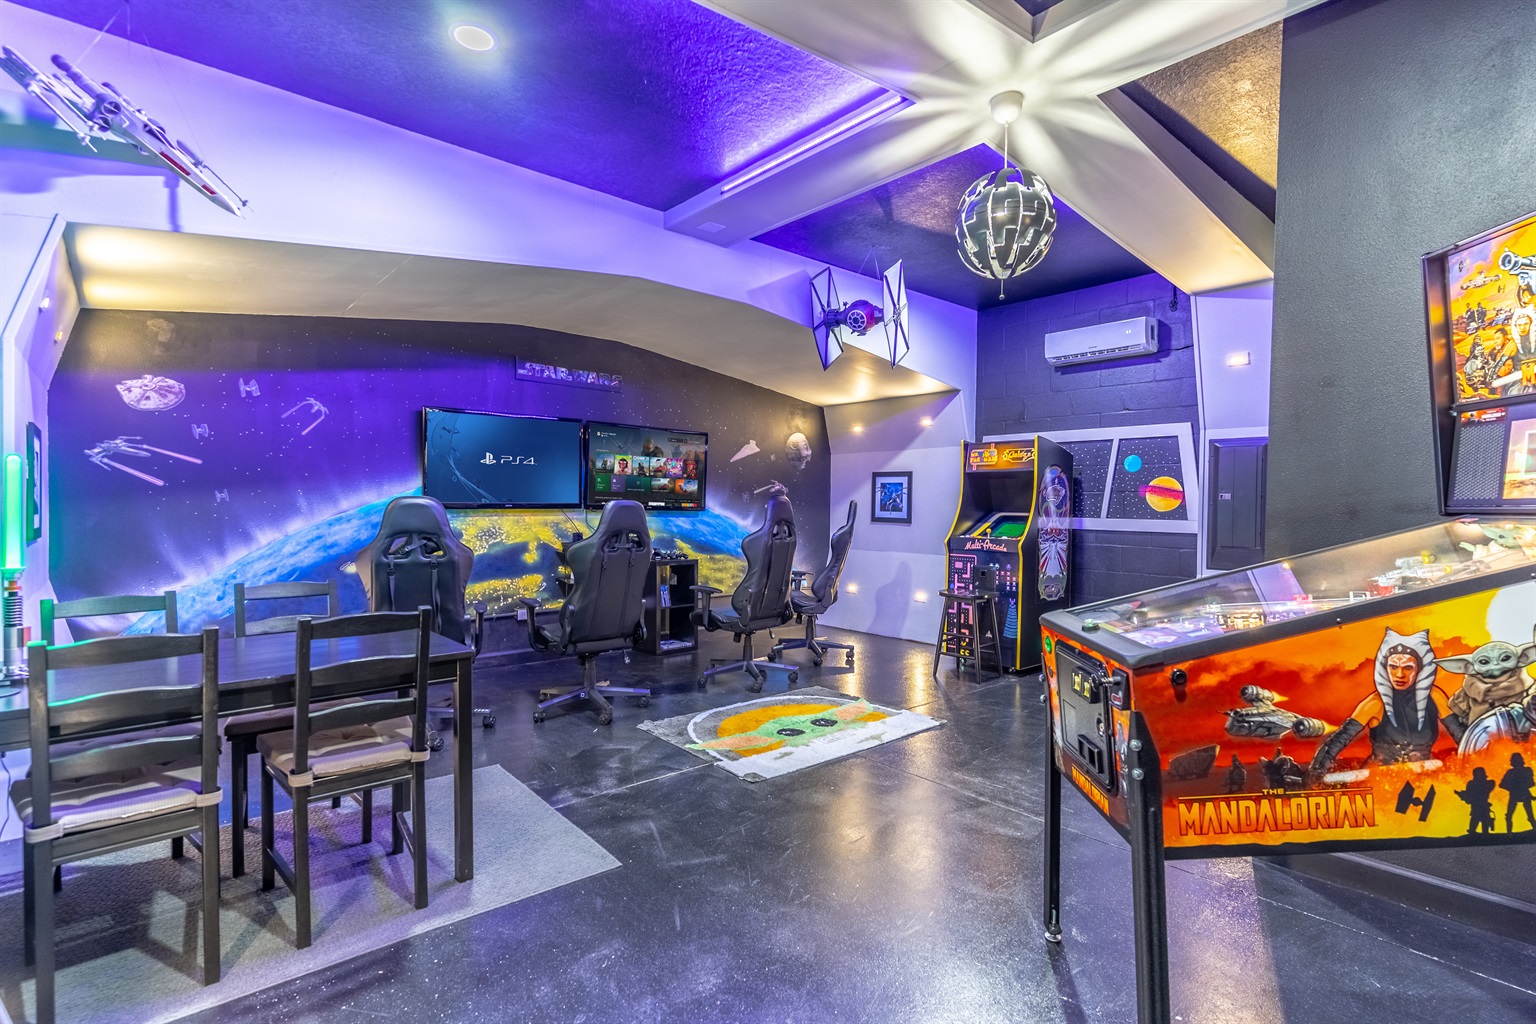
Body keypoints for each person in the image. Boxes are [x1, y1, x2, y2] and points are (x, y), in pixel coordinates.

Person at [1309, 629, 1465, 775]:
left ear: (1420, 669)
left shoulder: (1435, 696)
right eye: (1393, 666)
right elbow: (1339, 739)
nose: (1399, 674)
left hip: (1423, 775)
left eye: (1408, 667)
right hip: (1381, 778)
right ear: (1385, 667)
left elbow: (1461, 735)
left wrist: (1475, 760)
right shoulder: (1375, 703)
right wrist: (1317, 770)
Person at [1501, 753, 1536, 833]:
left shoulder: (1526, 770)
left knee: (1530, 815)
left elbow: (1531, 783)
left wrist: (1520, 787)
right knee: (1509, 816)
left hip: (1524, 794)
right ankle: (1509, 833)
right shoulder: (1511, 772)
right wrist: (1513, 788)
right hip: (1516, 794)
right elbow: (1502, 784)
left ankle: (1534, 830)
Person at [1456, 766, 1496, 835]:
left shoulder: (1488, 783)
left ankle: (1482, 835)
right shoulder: (1472, 784)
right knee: (1475, 820)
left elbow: (1479, 791)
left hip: (1482, 805)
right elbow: (1470, 794)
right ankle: (1474, 833)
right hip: (1477, 806)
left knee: (1483, 822)